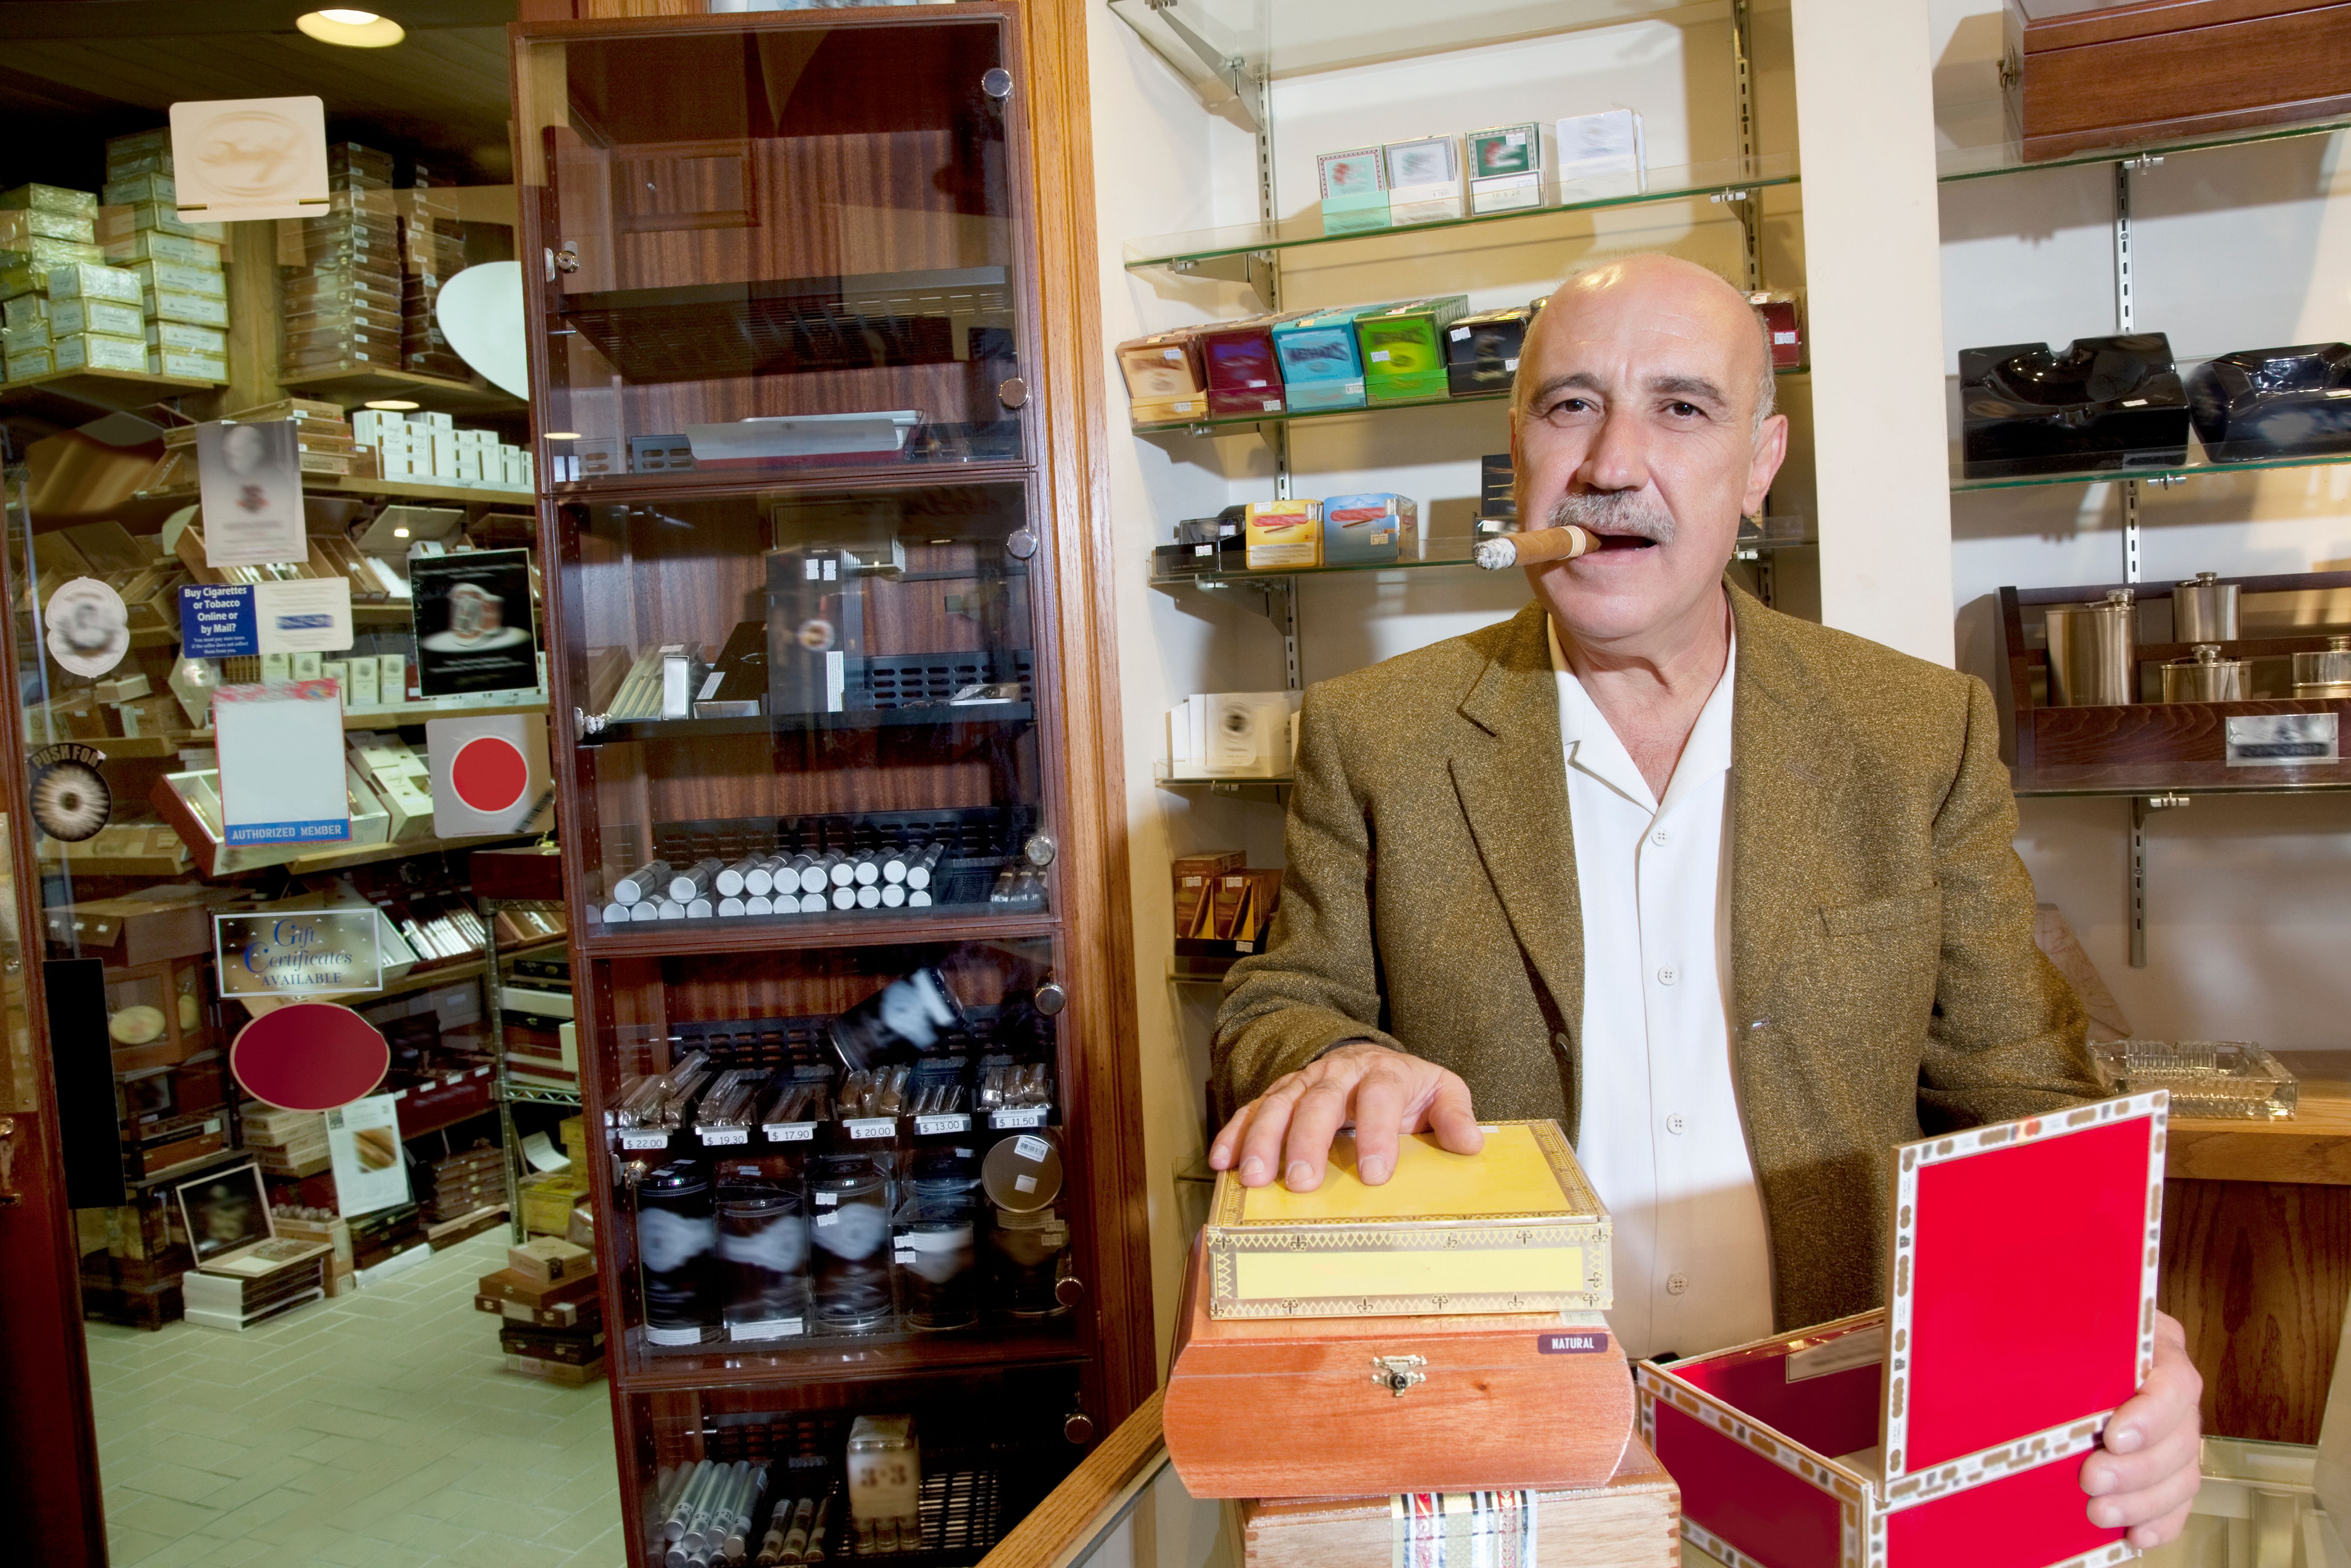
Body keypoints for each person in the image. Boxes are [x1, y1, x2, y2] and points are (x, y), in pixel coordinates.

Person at [1207, 254, 2202, 1547]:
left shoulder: (1914, 732)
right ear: (1520, 451)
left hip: (1835, 1441)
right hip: (1505, 1445)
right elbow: (1286, 999)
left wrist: (2125, 1349)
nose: (1613, 462)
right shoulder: (1375, 735)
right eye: (1571, 406)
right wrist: (1334, 1061)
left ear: (1759, 462)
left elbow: (2026, 1100)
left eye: (1681, 408)